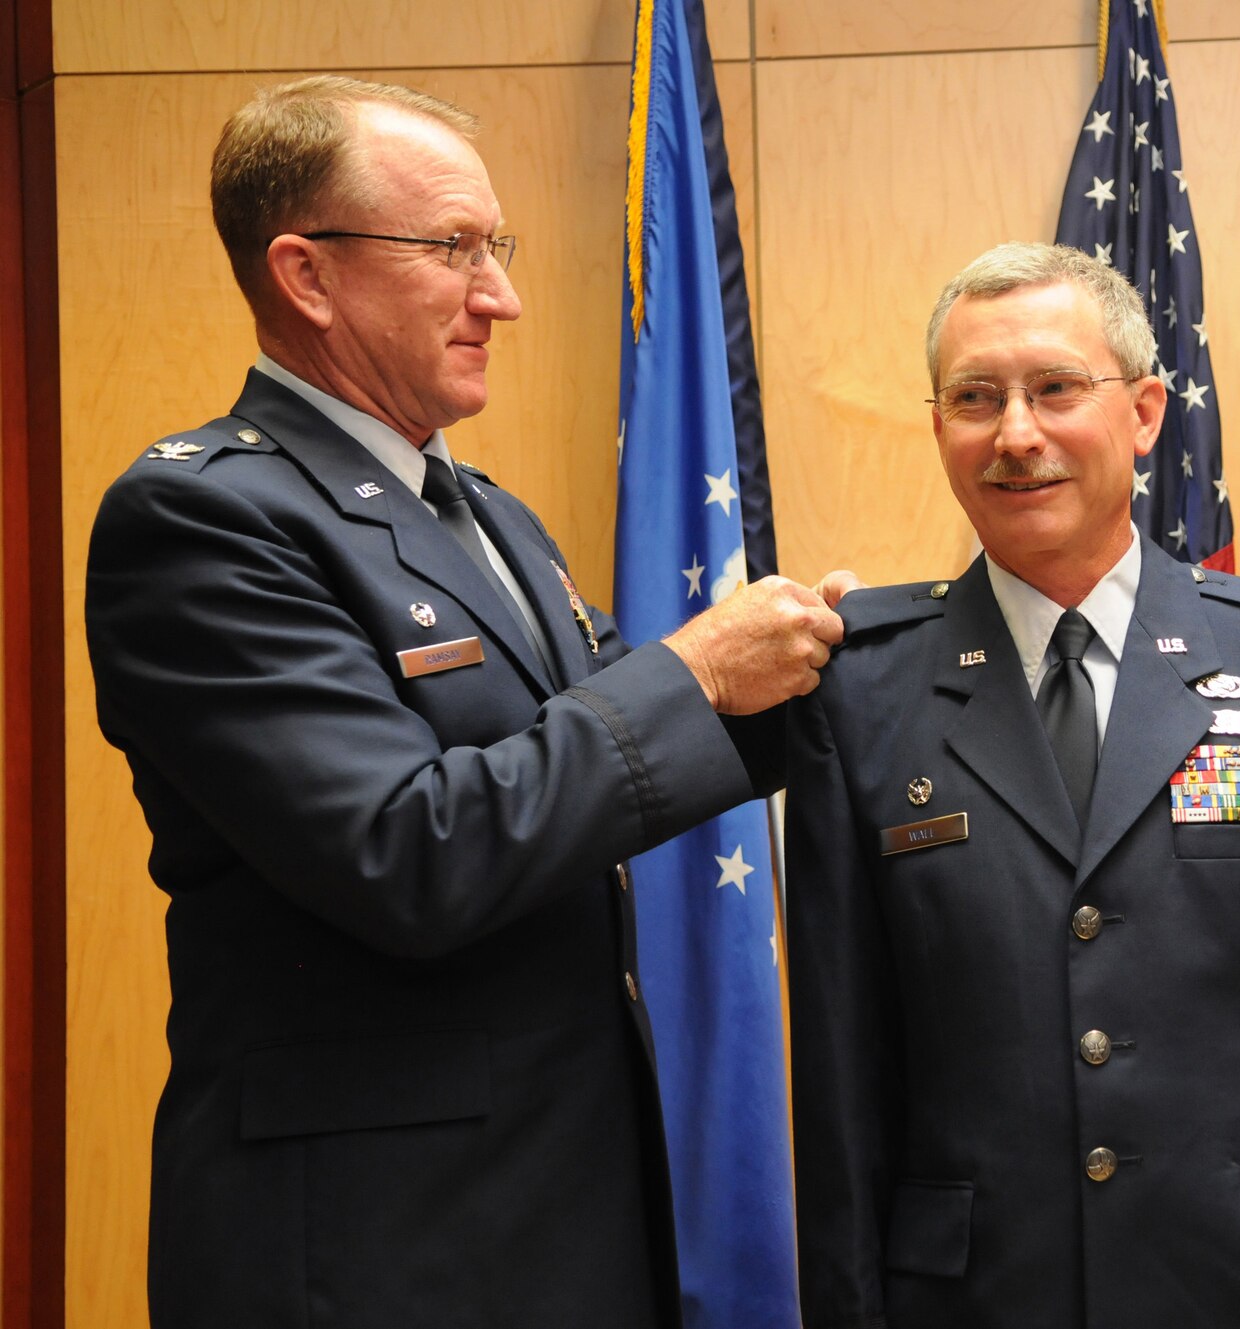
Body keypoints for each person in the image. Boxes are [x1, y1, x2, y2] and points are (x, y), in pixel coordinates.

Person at [83, 76, 846, 1328]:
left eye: (497, 246)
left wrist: (832, 662)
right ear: (307, 274)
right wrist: (699, 670)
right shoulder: (205, 518)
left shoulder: (488, 513)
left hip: (564, 1204)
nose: (502, 293)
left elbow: (590, 767)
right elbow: (408, 853)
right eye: (451, 248)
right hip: (374, 1244)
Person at [782, 242, 1240, 1328]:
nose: (1015, 435)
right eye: (974, 398)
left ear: (1145, 413)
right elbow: (839, 1063)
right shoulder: (856, 688)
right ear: (936, 427)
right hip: (974, 1296)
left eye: (1055, 390)